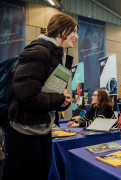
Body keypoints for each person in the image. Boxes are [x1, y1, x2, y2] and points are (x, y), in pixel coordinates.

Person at [3, 14, 78, 180]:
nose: (77, 36)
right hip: (25, 129)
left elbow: (50, 95)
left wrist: (62, 102)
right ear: (61, 30)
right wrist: (58, 99)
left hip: (42, 127)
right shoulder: (38, 51)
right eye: (73, 31)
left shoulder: (59, 55)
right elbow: (28, 97)